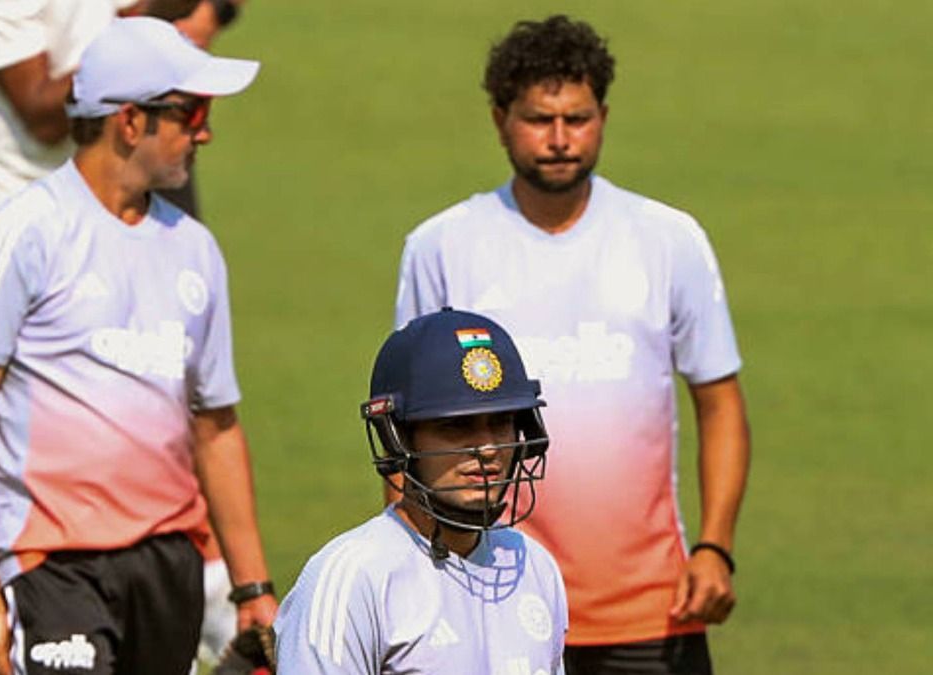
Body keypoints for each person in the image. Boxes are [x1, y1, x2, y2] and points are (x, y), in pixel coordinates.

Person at [393, 16, 751, 675]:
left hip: (652, 611)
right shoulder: (443, 246)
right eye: (539, 119)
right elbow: (401, 418)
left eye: (578, 119)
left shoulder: (668, 239)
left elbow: (720, 400)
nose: (560, 139)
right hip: (488, 599)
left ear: (604, 116)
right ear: (501, 119)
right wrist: (413, 571)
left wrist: (715, 546)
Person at [0, 17, 275, 675]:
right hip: (53, 569)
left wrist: (251, 587)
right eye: (191, 112)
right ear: (129, 121)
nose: (205, 130)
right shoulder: (20, 238)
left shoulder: (195, 249)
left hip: (166, 566)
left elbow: (216, 426)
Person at [276, 308, 568, 674]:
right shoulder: (354, 579)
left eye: (501, 423)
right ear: (397, 439)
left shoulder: (534, 568)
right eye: (457, 427)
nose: (488, 448)